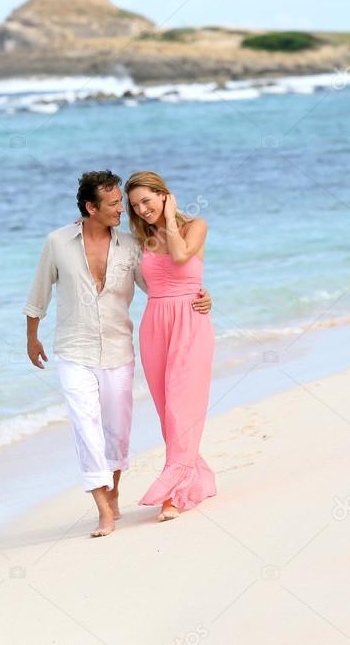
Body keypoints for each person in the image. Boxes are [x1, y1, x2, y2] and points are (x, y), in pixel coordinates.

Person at [24, 170, 212, 537]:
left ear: (164, 195)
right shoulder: (68, 242)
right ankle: (114, 503)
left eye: (141, 202)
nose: (130, 211)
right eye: (122, 205)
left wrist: (202, 295)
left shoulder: (145, 240)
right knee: (108, 420)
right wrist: (31, 337)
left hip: (147, 338)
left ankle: (150, 491)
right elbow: (40, 293)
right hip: (98, 342)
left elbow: (172, 271)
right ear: (91, 207)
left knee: (149, 420)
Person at [125, 170, 216, 522]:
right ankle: (193, 477)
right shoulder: (141, 240)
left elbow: (180, 256)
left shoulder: (196, 226)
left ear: (165, 195)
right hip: (154, 325)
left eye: (147, 200)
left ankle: (173, 495)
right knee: (167, 411)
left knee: (183, 407)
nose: (142, 209)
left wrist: (170, 218)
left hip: (191, 322)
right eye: (135, 205)